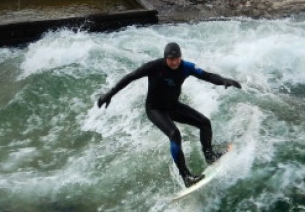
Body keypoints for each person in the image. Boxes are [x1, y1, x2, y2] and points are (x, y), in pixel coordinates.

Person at [96, 42, 242, 187]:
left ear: (180, 57)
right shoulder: (154, 67)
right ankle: (186, 177)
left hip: (173, 106)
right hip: (155, 109)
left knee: (204, 123)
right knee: (174, 134)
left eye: (177, 58)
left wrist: (223, 80)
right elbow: (130, 77)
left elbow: (207, 76)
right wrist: (109, 94)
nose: (174, 62)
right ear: (165, 58)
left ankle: (210, 156)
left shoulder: (186, 67)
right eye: (171, 59)